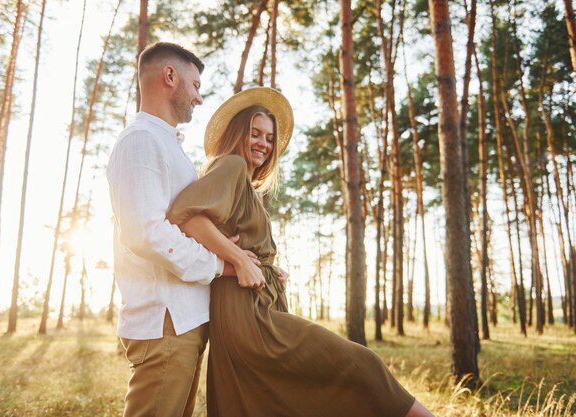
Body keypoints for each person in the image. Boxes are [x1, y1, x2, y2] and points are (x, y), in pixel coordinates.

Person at [166, 87, 434, 417]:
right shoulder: (232, 166)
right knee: (362, 364)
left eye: (269, 138)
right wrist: (236, 260)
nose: (263, 144)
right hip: (244, 314)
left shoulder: (248, 186)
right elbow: (185, 216)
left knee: (271, 400)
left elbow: (230, 235)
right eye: (255, 134)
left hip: (258, 302)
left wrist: (267, 268)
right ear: (238, 133)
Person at [106, 42, 266, 417]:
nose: (198, 97)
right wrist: (221, 264)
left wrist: (230, 247)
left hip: (184, 320)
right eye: (194, 85)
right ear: (170, 76)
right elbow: (147, 233)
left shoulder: (167, 146)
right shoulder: (141, 141)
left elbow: (186, 224)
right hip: (165, 321)